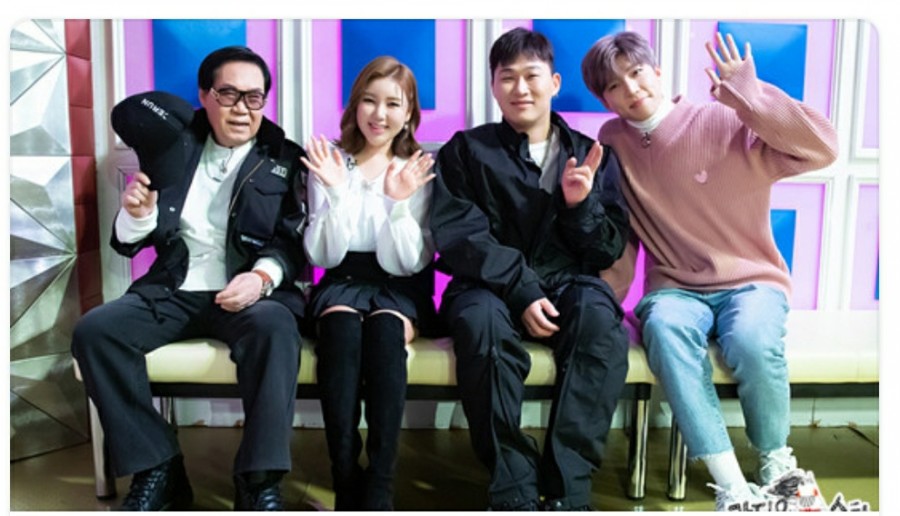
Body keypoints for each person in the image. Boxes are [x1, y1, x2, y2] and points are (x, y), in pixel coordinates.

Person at [581, 31, 838, 510]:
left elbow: (822, 149)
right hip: (675, 287)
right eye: (614, 85)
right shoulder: (612, 142)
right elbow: (623, 232)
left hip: (752, 279)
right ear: (605, 100)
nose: (631, 89)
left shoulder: (724, 118)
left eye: (636, 73)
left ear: (657, 72)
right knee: (664, 331)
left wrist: (752, 96)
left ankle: (776, 461)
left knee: (752, 341)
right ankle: (731, 486)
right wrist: (601, 300)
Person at [71, 46, 309, 511]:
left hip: (249, 294)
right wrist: (137, 215)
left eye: (254, 97)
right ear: (204, 95)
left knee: (276, 328)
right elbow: (127, 242)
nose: (242, 108)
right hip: (172, 289)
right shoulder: (172, 145)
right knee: (95, 332)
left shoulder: (283, 156)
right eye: (228, 94)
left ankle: (258, 483)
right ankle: (159, 467)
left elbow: (293, 242)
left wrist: (261, 278)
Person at [430, 28, 631, 511]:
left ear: (555, 83)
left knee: (601, 322)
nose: (520, 88)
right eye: (508, 77)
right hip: (486, 286)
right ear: (494, 86)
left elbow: (607, 249)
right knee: (480, 325)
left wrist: (580, 206)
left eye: (532, 76)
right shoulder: (465, 151)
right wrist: (520, 288)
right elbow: (460, 235)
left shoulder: (592, 155)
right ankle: (514, 489)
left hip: (569, 282)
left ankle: (568, 491)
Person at [301, 56, 437, 511]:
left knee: (383, 332)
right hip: (341, 276)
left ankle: (380, 483)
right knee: (339, 331)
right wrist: (337, 192)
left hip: (400, 283)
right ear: (355, 105)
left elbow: (410, 261)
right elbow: (323, 256)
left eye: (393, 104)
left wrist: (398, 204)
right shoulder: (330, 162)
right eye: (369, 101)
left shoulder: (416, 168)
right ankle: (344, 475)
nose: (379, 114)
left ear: (409, 112)